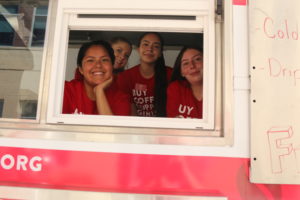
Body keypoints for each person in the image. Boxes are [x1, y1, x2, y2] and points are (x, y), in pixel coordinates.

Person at [62, 40, 130, 115]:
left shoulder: (121, 99)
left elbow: (111, 127)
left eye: (104, 60)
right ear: (81, 69)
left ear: (112, 66)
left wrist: (99, 91)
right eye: (90, 60)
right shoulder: (65, 90)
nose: (98, 65)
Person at [117, 32, 172, 117]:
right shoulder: (125, 77)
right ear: (138, 49)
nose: (150, 49)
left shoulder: (171, 75)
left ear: (161, 53)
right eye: (146, 44)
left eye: (156, 46)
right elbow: (131, 113)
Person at [167, 46, 203, 118]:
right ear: (181, 72)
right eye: (186, 63)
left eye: (197, 59)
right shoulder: (176, 88)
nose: (192, 66)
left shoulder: (221, 89)